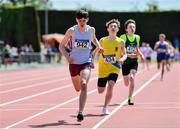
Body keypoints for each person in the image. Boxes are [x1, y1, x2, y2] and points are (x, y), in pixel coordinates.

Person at [43, 9, 103, 121]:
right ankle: (80, 96)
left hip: (86, 61)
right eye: (79, 20)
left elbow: (94, 39)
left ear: (87, 20)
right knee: (77, 88)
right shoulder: (71, 31)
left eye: (84, 20)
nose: (81, 22)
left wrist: (98, 46)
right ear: (76, 20)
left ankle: (80, 112)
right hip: (74, 63)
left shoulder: (91, 30)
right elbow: (61, 46)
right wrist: (67, 57)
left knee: (84, 84)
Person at [94, 19, 127, 115]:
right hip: (103, 68)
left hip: (115, 67)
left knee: (111, 86)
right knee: (100, 91)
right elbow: (95, 52)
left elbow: (125, 54)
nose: (113, 27)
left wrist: (122, 59)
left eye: (115, 26)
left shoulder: (121, 42)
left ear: (117, 29)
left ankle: (105, 108)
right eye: (111, 26)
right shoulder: (102, 40)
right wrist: (92, 61)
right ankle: (104, 94)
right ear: (108, 29)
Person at [120, 19, 144, 105]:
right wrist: (126, 54)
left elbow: (137, 48)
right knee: (126, 83)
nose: (132, 28)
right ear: (126, 29)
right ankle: (126, 79)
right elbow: (121, 49)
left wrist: (141, 54)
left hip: (134, 61)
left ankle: (130, 98)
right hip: (125, 62)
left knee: (132, 77)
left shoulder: (137, 37)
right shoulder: (123, 37)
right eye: (130, 27)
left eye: (134, 27)